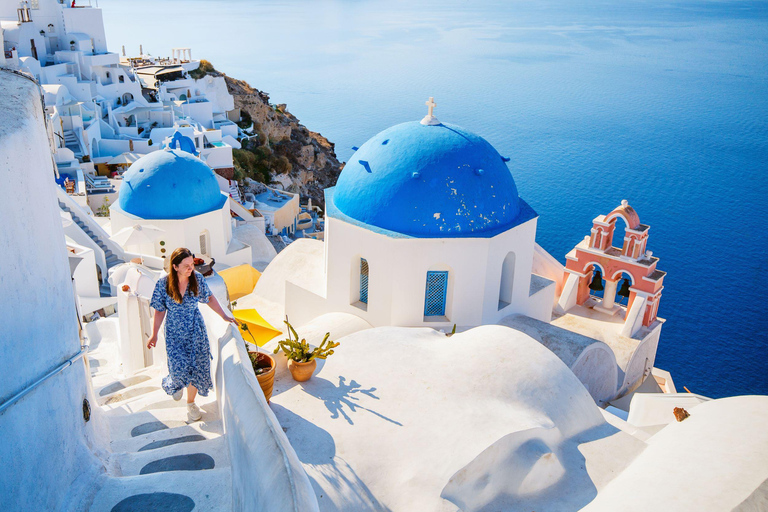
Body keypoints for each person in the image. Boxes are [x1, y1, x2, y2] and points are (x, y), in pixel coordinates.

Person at [147, 247, 237, 421]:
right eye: (186, 265)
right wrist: (154, 334)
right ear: (175, 267)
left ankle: (190, 403)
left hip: (195, 329)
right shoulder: (163, 284)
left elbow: (209, 298)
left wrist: (224, 315)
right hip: (174, 332)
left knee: (197, 368)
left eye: (191, 264)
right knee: (178, 368)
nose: (191, 268)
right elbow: (159, 310)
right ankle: (176, 382)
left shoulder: (198, 280)